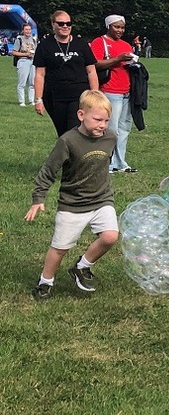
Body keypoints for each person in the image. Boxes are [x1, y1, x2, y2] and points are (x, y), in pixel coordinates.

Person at [25, 90, 119, 301]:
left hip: (102, 199)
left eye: (106, 120)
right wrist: (38, 199)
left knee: (110, 236)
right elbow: (48, 170)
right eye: (97, 119)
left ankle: (82, 266)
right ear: (81, 115)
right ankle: (45, 282)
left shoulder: (111, 138)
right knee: (60, 248)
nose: (102, 125)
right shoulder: (68, 141)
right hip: (72, 204)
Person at [33, 10, 99, 137]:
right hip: (54, 97)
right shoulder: (45, 45)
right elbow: (40, 74)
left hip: (78, 95)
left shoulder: (81, 44)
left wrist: (95, 94)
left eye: (68, 23)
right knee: (62, 132)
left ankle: (73, 156)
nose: (65, 26)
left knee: (74, 131)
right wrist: (38, 100)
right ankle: (65, 156)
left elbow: (91, 71)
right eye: (61, 23)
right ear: (53, 24)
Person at [90, 14, 138, 174]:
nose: (120, 30)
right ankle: (107, 163)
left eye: (122, 27)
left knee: (124, 128)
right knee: (111, 129)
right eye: (116, 26)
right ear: (108, 26)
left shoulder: (126, 44)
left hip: (127, 91)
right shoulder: (99, 42)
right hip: (110, 91)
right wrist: (118, 59)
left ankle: (120, 162)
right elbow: (95, 64)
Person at [11, 22, 37, 106]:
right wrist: (26, 54)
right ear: (23, 30)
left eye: (29, 29)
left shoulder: (33, 40)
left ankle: (31, 100)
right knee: (22, 82)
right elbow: (14, 52)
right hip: (23, 61)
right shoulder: (19, 39)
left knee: (32, 83)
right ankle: (21, 101)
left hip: (32, 62)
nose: (28, 31)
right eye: (26, 29)